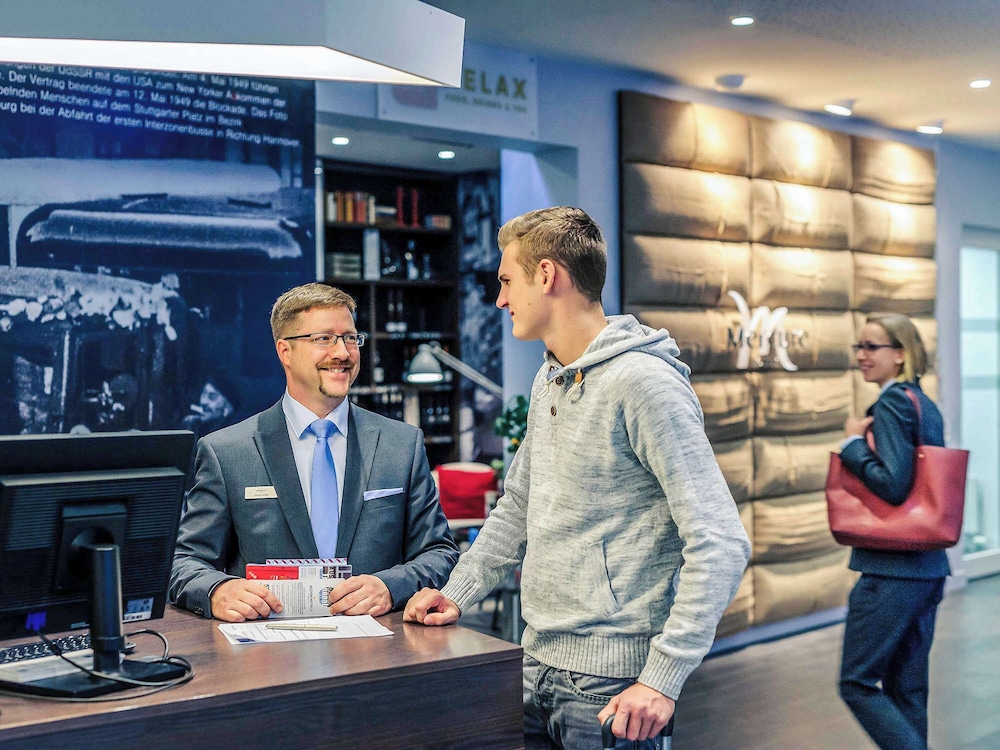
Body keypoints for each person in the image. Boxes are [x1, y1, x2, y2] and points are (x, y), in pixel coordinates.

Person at [404, 207, 751, 749]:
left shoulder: (644, 384)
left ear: (546, 275)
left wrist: (662, 678)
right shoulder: (550, 378)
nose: (499, 300)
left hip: (613, 686)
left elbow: (721, 541)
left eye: (506, 281)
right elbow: (519, 503)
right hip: (534, 663)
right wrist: (457, 592)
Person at [170, 283, 459, 622]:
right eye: (324, 339)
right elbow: (184, 562)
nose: (343, 353)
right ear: (285, 351)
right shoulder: (227, 452)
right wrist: (216, 590)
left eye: (350, 338)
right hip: (268, 646)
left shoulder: (401, 445)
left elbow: (439, 552)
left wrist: (390, 586)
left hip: (379, 644)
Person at [836, 313, 949, 750]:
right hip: (927, 567)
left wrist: (852, 445)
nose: (861, 356)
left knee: (857, 682)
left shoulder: (891, 404)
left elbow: (894, 484)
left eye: (871, 347)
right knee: (907, 689)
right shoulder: (922, 402)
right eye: (858, 347)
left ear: (900, 354)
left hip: (891, 572)